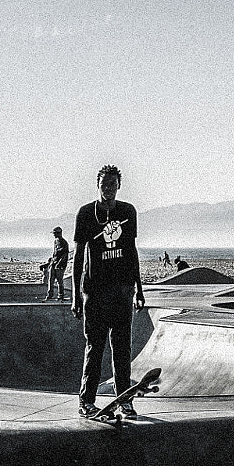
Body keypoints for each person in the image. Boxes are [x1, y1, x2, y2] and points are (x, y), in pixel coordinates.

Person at [72, 165, 146, 418]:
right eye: (104, 184)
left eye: (113, 184)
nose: (108, 189)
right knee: (95, 346)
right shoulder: (85, 214)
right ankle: (86, 401)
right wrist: (75, 297)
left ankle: (125, 400)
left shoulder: (128, 211)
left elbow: (132, 251)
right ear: (98, 185)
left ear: (119, 185)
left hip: (122, 290)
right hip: (95, 291)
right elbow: (78, 257)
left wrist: (139, 288)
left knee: (122, 347)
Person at [43, 226, 70, 301]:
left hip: (60, 265)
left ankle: (60, 296)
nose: (54, 235)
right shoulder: (55, 241)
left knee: (59, 281)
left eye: (55, 233)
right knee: (50, 280)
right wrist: (49, 263)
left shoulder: (64, 243)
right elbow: (54, 254)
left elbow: (65, 255)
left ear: (59, 233)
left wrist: (59, 263)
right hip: (53, 263)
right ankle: (50, 295)